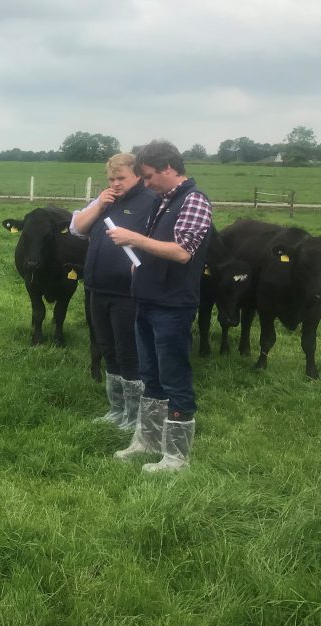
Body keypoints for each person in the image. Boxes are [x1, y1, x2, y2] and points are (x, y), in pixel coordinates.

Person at [106, 140, 212, 472]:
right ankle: (147, 441)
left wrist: (134, 240)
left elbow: (182, 252)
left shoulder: (194, 200)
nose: (147, 183)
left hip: (173, 306)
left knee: (173, 376)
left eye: (150, 176)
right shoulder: (163, 201)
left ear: (168, 168)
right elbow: (159, 247)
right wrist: (140, 263)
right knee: (150, 375)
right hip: (148, 300)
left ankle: (176, 457)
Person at [70, 153, 155, 432]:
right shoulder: (105, 201)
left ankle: (134, 416)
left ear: (139, 177)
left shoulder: (151, 202)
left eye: (122, 178)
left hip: (127, 292)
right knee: (107, 349)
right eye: (111, 179)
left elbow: (159, 242)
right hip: (96, 287)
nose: (115, 184)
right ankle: (116, 410)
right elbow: (77, 229)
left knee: (128, 352)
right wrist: (100, 205)